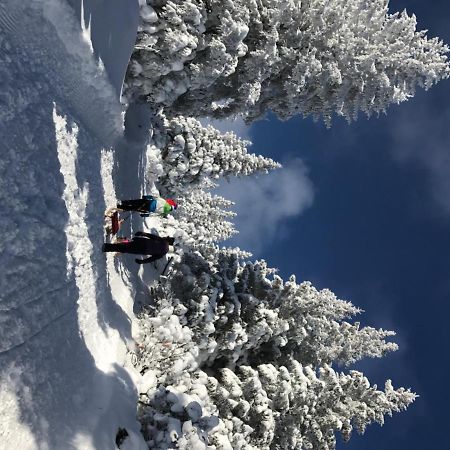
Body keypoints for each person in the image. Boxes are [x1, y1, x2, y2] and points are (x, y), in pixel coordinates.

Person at [102, 232, 175, 264]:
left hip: (142, 242)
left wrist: (143, 233)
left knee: (126, 245)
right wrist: (142, 261)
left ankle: (107, 247)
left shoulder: (164, 241)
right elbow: (153, 258)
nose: (166, 237)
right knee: (125, 248)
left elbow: (152, 236)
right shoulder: (164, 252)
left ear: (169, 240)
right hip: (142, 250)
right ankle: (108, 247)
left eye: (168, 237)